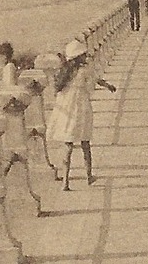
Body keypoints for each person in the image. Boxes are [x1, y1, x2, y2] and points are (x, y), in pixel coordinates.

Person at [47, 39, 118, 191]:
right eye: (83, 54)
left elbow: (57, 88)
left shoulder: (63, 72)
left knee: (68, 145)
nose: (86, 56)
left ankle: (65, 182)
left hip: (66, 110)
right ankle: (89, 175)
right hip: (81, 108)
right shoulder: (84, 70)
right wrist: (109, 86)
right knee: (85, 143)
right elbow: (96, 79)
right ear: (79, 56)